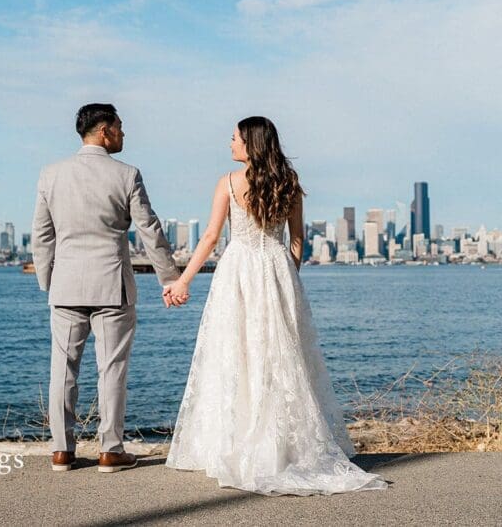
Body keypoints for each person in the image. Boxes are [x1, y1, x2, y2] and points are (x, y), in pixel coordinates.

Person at [164, 116, 388, 496]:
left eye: (234, 138)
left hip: (238, 270)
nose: (229, 143)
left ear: (251, 143)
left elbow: (212, 237)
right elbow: (296, 238)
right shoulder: (289, 182)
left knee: (236, 352)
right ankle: (282, 446)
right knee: (280, 356)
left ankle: (236, 442)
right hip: (276, 269)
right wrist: (288, 274)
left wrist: (183, 279)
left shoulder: (229, 183)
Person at [31, 103, 188, 474]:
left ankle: (61, 451)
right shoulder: (127, 174)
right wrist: (169, 278)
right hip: (112, 286)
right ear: (104, 131)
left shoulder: (51, 174)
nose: (123, 133)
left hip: (66, 286)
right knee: (112, 370)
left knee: (63, 370)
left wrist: (47, 281)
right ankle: (110, 450)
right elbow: (150, 230)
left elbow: (41, 235)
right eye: (119, 126)